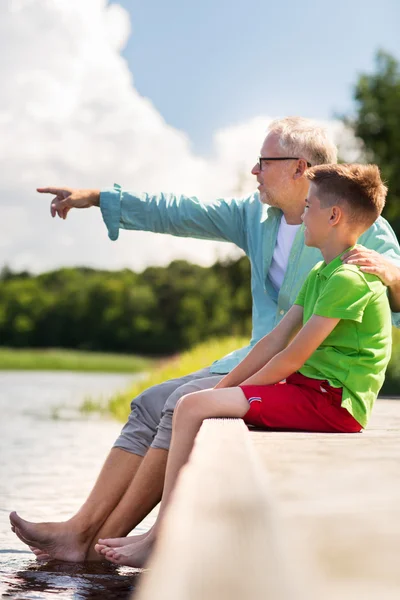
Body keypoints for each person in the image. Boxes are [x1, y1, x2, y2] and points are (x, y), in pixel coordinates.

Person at [9, 118, 400, 563]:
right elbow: (180, 210)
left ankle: (99, 547)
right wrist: (100, 199)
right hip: (259, 355)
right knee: (149, 401)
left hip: (312, 373)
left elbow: (384, 297)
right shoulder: (257, 218)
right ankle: (81, 527)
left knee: (180, 401)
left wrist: (393, 273)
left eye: (263, 162)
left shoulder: (359, 227)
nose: (254, 171)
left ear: (299, 167)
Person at [93, 162, 392, 568]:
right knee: (196, 401)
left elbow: (293, 356)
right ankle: (158, 533)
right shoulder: (323, 272)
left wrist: (226, 393)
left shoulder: (349, 279)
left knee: (192, 404)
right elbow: (273, 341)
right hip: (311, 390)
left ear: (334, 216)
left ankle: (161, 536)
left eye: (309, 208)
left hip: (334, 403)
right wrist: (225, 388)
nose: (302, 216)